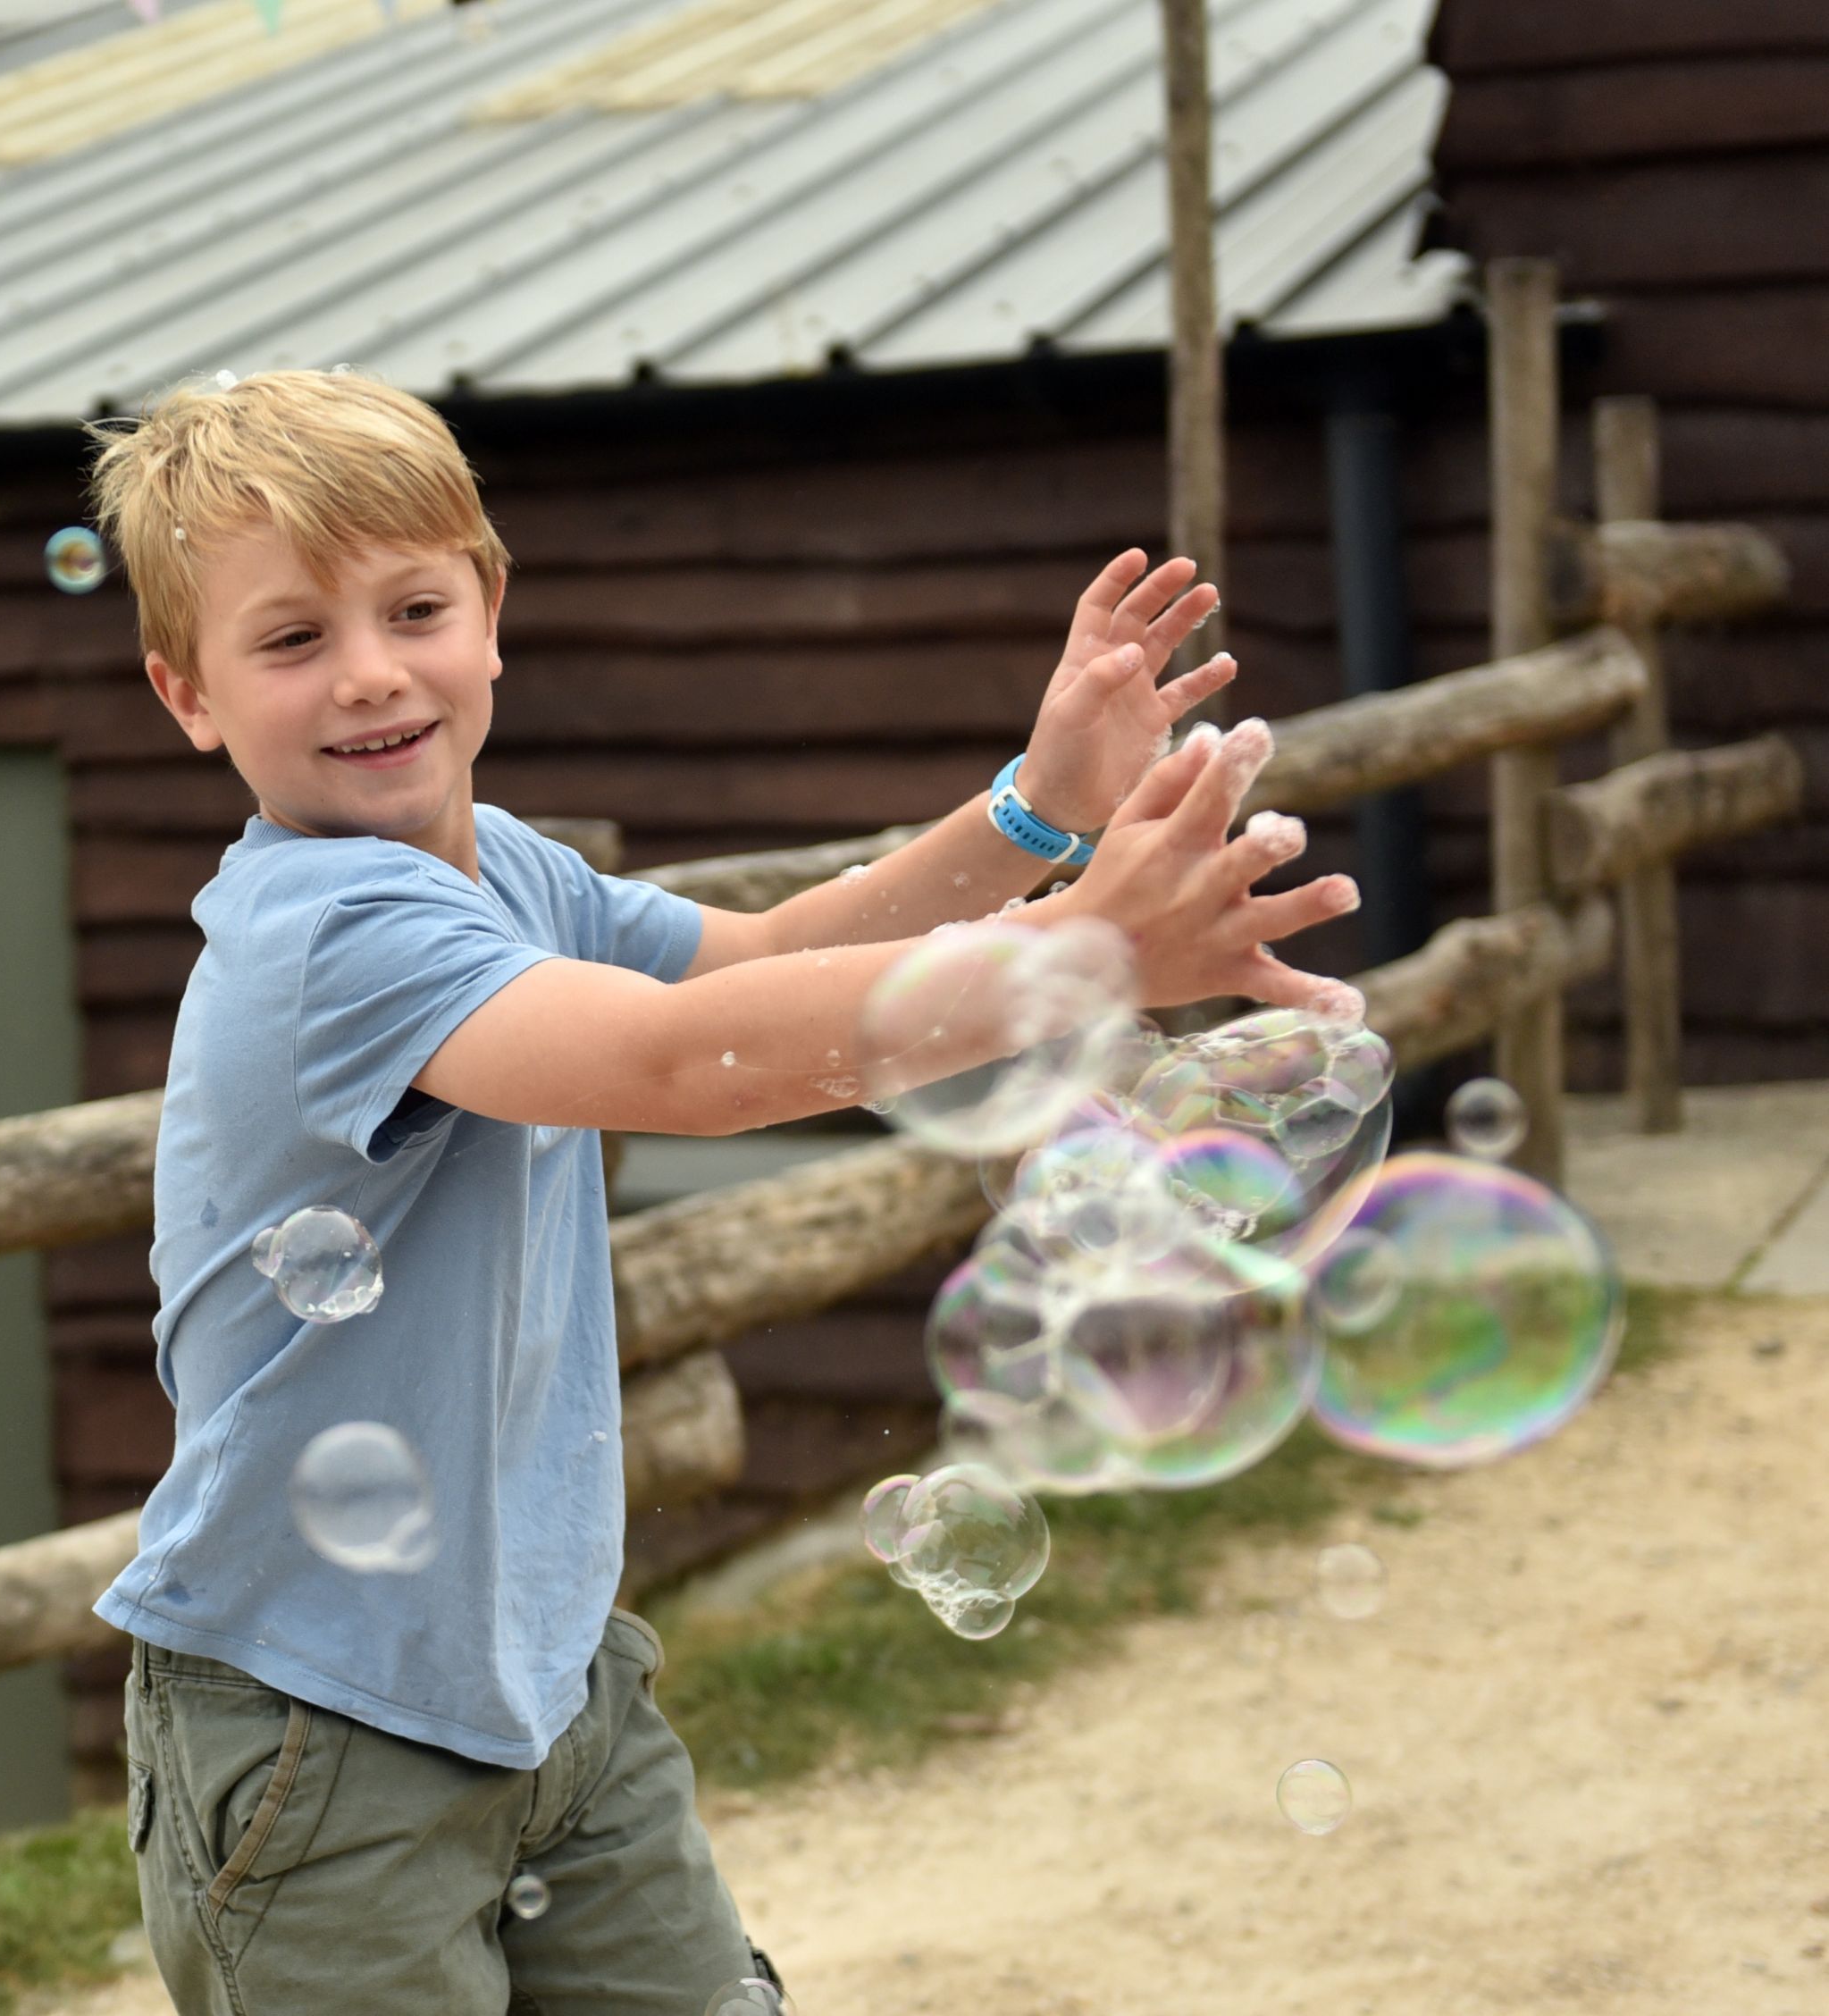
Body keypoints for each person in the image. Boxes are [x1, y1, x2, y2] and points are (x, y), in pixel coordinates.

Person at [83, 368, 1361, 2013]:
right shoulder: (328, 932)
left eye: (414, 608)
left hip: (549, 1689)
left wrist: (1035, 808)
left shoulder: (505, 869)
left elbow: (770, 957)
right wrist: (1089, 946)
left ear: (492, 615)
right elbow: (685, 1064)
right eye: (292, 641)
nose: (373, 675)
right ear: (187, 694)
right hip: (315, 1729)